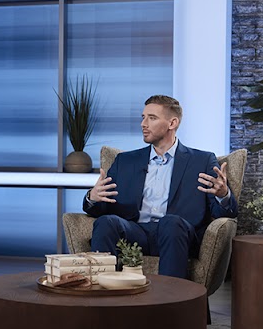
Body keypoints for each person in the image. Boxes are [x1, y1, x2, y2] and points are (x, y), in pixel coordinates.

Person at [84, 95, 238, 278]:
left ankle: (170, 295)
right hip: (135, 232)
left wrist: (223, 194)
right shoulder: (125, 161)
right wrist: (92, 197)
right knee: (106, 222)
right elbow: (101, 207)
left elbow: (225, 213)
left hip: (176, 235)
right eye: (143, 117)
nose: (143, 124)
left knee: (170, 223)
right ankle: (102, 292)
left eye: (152, 118)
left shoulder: (202, 161)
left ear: (172, 123)